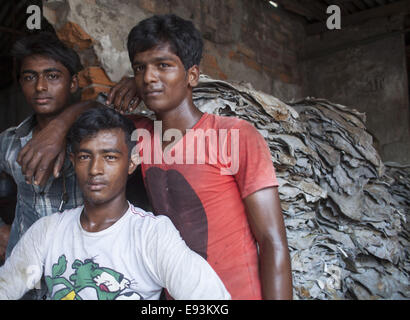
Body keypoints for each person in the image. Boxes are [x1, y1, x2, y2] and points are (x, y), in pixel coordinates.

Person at [16, 14, 293, 300]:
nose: (149, 77)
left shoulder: (233, 136)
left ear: (193, 75)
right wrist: (57, 129)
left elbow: (273, 242)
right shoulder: (137, 135)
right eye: (140, 68)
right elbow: (91, 112)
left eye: (163, 65)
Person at [0, 106, 230, 300]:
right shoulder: (48, 231)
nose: (95, 169)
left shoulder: (152, 235)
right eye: (85, 157)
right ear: (72, 160)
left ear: (132, 162)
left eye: (110, 157)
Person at [0, 32, 92, 262]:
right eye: (29, 77)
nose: (40, 87)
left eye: (52, 76)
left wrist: (61, 126)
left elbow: (106, 104)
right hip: (27, 271)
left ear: (73, 82)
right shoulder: (9, 141)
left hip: (81, 270)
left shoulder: (96, 136)